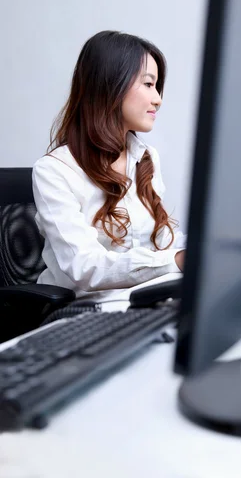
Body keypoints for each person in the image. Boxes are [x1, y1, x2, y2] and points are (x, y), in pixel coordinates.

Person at [32, 30, 186, 302]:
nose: (158, 99)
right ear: (111, 85)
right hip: (82, 313)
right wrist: (175, 260)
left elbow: (165, 242)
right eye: (148, 84)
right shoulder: (54, 171)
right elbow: (86, 268)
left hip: (141, 303)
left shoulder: (146, 158)